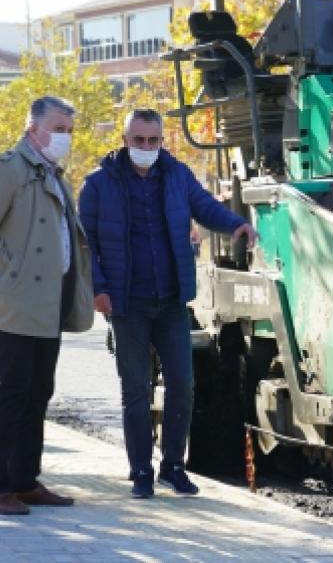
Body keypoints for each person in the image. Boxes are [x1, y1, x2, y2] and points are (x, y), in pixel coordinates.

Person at [79, 108, 258, 499]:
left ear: (162, 141)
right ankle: (140, 470)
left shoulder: (176, 175)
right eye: (139, 140)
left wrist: (235, 224)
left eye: (153, 141)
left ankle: (173, 467)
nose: (146, 147)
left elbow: (205, 206)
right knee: (136, 389)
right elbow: (85, 242)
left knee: (183, 384)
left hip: (172, 300)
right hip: (127, 305)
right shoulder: (98, 185)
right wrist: (99, 288)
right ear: (125, 141)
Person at [0, 95, 94, 516]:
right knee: (12, 393)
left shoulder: (54, 173)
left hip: (50, 301)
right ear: (32, 129)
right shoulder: (10, 170)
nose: (64, 138)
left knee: (38, 392)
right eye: (57, 129)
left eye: (69, 131)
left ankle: (24, 480)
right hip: (17, 301)